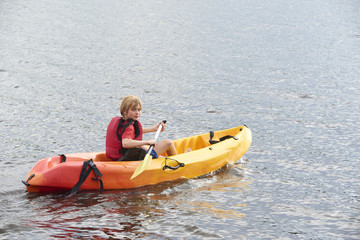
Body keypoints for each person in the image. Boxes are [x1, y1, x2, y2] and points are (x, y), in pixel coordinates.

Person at [106, 95, 177, 161]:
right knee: (168, 143)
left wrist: (154, 129)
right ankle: (177, 161)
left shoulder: (122, 122)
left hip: (121, 156)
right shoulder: (129, 127)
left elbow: (134, 132)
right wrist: (147, 142)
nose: (137, 113)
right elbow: (125, 143)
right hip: (127, 158)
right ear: (125, 111)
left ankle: (169, 159)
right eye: (133, 110)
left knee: (144, 147)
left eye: (139, 110)